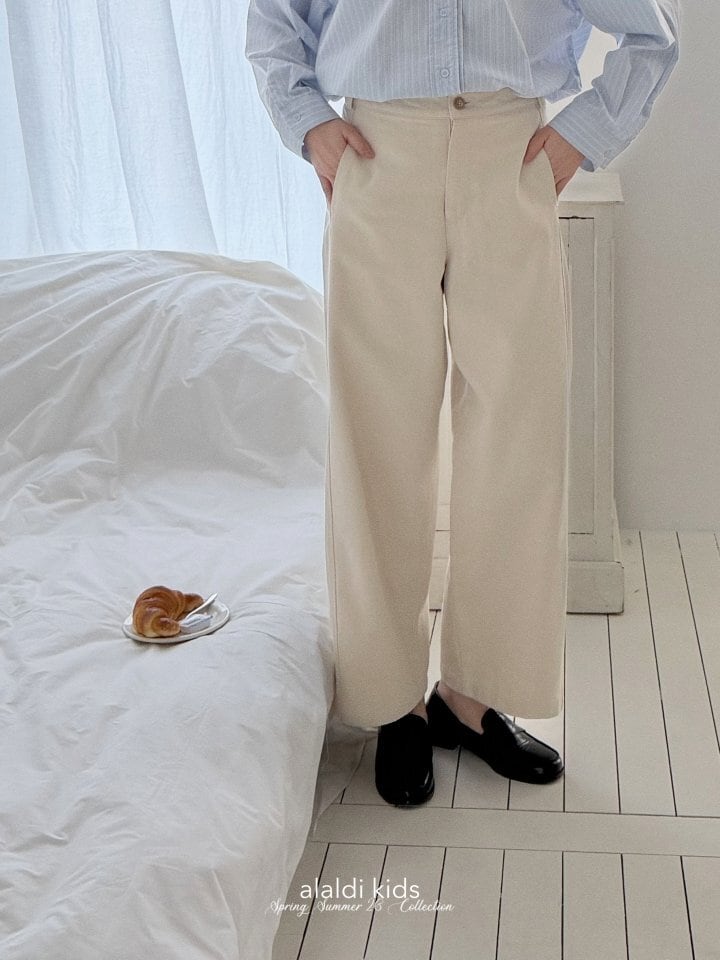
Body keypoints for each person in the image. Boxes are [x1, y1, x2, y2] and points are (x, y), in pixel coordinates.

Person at [245, 1, 681, 807]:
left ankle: (473, 695)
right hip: (377, 149)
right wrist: (308, 122)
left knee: (518, 436)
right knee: (377, 434)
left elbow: (653, 34)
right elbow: (275, 19)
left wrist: (582, 133)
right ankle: (392, 701)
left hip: (509, 149)